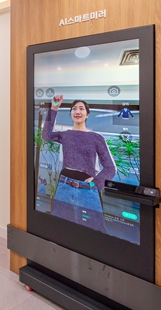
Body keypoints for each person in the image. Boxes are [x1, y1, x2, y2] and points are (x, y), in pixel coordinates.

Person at [42, 95, 116, 233]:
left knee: (94, 233)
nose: (77, 111)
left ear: (87, 114)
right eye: (74, 108)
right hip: (64, 187)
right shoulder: (65, 135)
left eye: (81, 109)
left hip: (87, 191)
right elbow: (46, 135)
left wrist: (96, 183)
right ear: (71, 113)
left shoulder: (96, 138)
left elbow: (110, 168)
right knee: (61, 229)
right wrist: (54, 108)